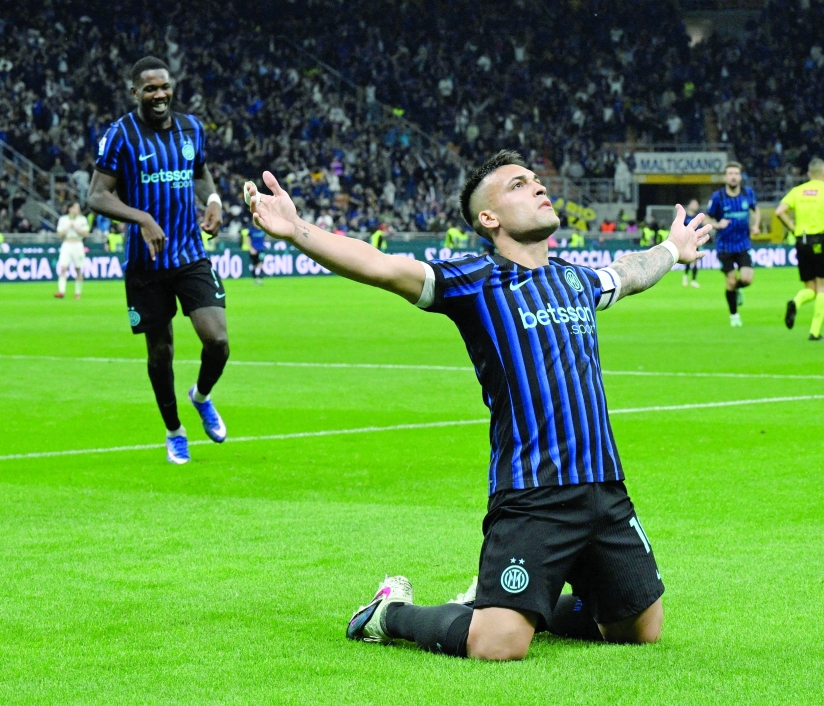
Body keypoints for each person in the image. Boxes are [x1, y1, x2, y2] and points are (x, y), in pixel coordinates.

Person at [246, 149, 711, 661]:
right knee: (498, 646)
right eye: (517, 185)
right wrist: (299, 231)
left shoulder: (575, 280)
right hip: (533, 493)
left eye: (535, 180)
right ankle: (386, 613)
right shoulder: (476, 282)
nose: (537, 187)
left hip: (604, 488)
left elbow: (631, 271)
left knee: (639, 631)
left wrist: (672, 247)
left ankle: (502, 600)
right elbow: (381, 265)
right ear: (489, 218)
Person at [87, 56, 229, 465]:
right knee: (160, 351)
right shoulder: (120, 135)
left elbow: (200, 171)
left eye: (163, 86)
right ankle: (174, 431)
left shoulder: (191, 128)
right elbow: (97, 195)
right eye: (149, 88)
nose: (159, 94)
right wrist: (142, 217)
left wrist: (214, 200)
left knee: (217, 341)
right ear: (135, 92)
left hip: (189, 253)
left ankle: (201, 397)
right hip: (146, 263)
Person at [776, 158, 824, 341]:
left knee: (811, 288)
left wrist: (792, 227)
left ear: (808, 174)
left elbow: (779, 211)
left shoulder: (797, 191)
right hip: (821, 241)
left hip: (802, 241)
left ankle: (796, 302)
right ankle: (814, 332)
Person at [706, 162, 760, 326]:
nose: (733, 176)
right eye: (730, 173)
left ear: (740, 176)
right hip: (725, 246)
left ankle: (737, 289)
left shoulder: (747, 193)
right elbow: (707, 217)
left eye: (736, 173)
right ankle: (734, 315)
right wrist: (716, 224)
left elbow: (755, 210)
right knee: (730, 281)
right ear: (725, 177)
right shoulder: (718, 197)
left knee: (747, 279)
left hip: (743, 244)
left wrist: (756, 225)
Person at [54, 202, 90, 299]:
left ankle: (77, 292)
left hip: (78, 244)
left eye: (77, 208)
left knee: (78, 269)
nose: (77, 210)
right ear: (70, 209)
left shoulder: (82, 219)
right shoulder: (63, 219)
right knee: (63, 268)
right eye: (75, 208)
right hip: (67, 244)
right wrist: (67, 228)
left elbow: (86, 233)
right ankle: (61, 291)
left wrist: (76, 229)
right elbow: (59, 234)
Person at [681, 198, 701, 288]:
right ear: (689, 205)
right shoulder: (684, 216)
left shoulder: (697, 217)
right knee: (688, 259)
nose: (695, 206)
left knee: (695, 261)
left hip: (695, 241)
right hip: (686, 241)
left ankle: (693, 280)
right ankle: (685, 276)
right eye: (694, 204)